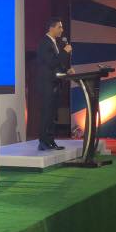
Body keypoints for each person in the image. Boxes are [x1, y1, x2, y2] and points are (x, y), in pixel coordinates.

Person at [35, 17, 72, 151]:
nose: (62, 30)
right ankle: (43, 141)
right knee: (47, 113)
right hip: (47, 85)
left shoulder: (54, 42)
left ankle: (50, 141)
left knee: (53, 114)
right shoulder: (45, 43)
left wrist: (66, 70)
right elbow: (51, 62)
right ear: (51, 28)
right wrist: (65, 52)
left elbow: (56, 64)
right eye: (59, 27)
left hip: (54, 84)